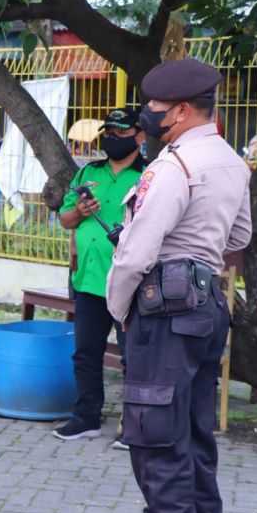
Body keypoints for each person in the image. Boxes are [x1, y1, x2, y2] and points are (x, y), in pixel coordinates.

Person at [103, 59, 251, 513]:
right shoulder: (231, 161)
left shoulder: (175, 166)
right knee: (193, 433)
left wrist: (119, 308)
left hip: (163, 310)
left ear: (183, 111)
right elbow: (240, 232)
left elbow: (137, 250)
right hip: (208, 301)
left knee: (155, 436)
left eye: (157, 110)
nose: (149, 118)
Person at [52, 107, 145, 442]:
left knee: (132, 356)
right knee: (86, 352)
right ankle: (86, 416)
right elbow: (64, 220)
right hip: (90, 280)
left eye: (120, 133)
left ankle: (134, 426)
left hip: (130, 282)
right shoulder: (88, 172)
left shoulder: (150, 174)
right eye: (108, 133)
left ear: (140, 136)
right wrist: (78, 211)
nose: (112, 139)